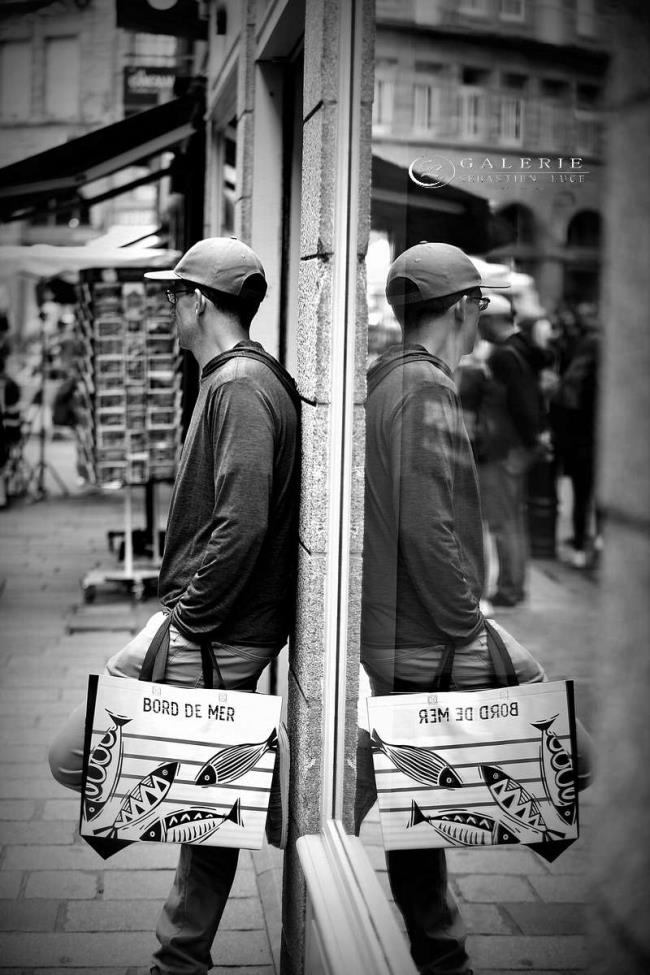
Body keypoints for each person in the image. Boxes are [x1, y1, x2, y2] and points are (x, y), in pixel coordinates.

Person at [48, 236, 301, 975]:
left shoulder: (242, 387)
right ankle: (180, 954)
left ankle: (293, 801)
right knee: (208, 791)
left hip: (213, 633)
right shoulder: (237, 380)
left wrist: (181, 622)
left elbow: (243, 520)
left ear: (198, 303)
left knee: (77, 755)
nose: (166, 307)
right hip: (218, 631)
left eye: (171, 295)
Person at [357, 242, 547, 975]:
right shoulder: (425, 388)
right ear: (464, 307)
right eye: (480, 303)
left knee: (416, 796)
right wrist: (470, 623)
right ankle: (441, 949)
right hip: (426, 630)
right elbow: (426, 522)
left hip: (401, 627)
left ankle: (443, 951)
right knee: (554, 734)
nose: (482, 314)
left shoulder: (389, 378)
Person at [471, 308, 554, 606]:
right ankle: (514, 585)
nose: (478, 328)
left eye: (482, 321)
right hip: (519, 446)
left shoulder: (504, 355)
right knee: (513, 519)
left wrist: (531, 438)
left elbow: (519, 401)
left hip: (504, 447)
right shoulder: (521, 348)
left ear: (495, 321)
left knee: (503, 521)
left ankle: (509, 588)